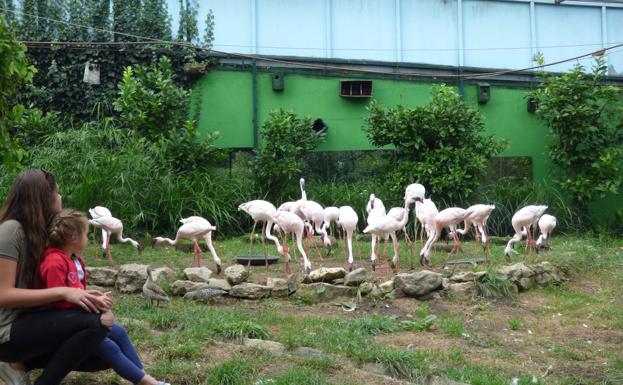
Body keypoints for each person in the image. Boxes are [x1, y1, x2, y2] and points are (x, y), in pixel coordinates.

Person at [0, 169, 113, 385]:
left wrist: (81, 294)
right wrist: (64, 292)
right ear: (44, 196)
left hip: (30, 320)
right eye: (57, 193)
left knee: (102, 353)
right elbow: (3, 295)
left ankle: (18, 363)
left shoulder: (40, 232)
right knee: (97, 324)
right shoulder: (10, 231)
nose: (60, 197)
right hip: (6, 332)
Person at [40, 209, 170, 385]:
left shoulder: (73, 260)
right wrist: (92, 304)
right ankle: (146, 382)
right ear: (73, 238)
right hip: (62, 324)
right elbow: (55, 298)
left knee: (120, 332)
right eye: (86, 234)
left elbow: (76, 291)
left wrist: (93, 297)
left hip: (77, 318)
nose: (89, 238)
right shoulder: (54, 263)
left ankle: (141, 374)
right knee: (107, 344)